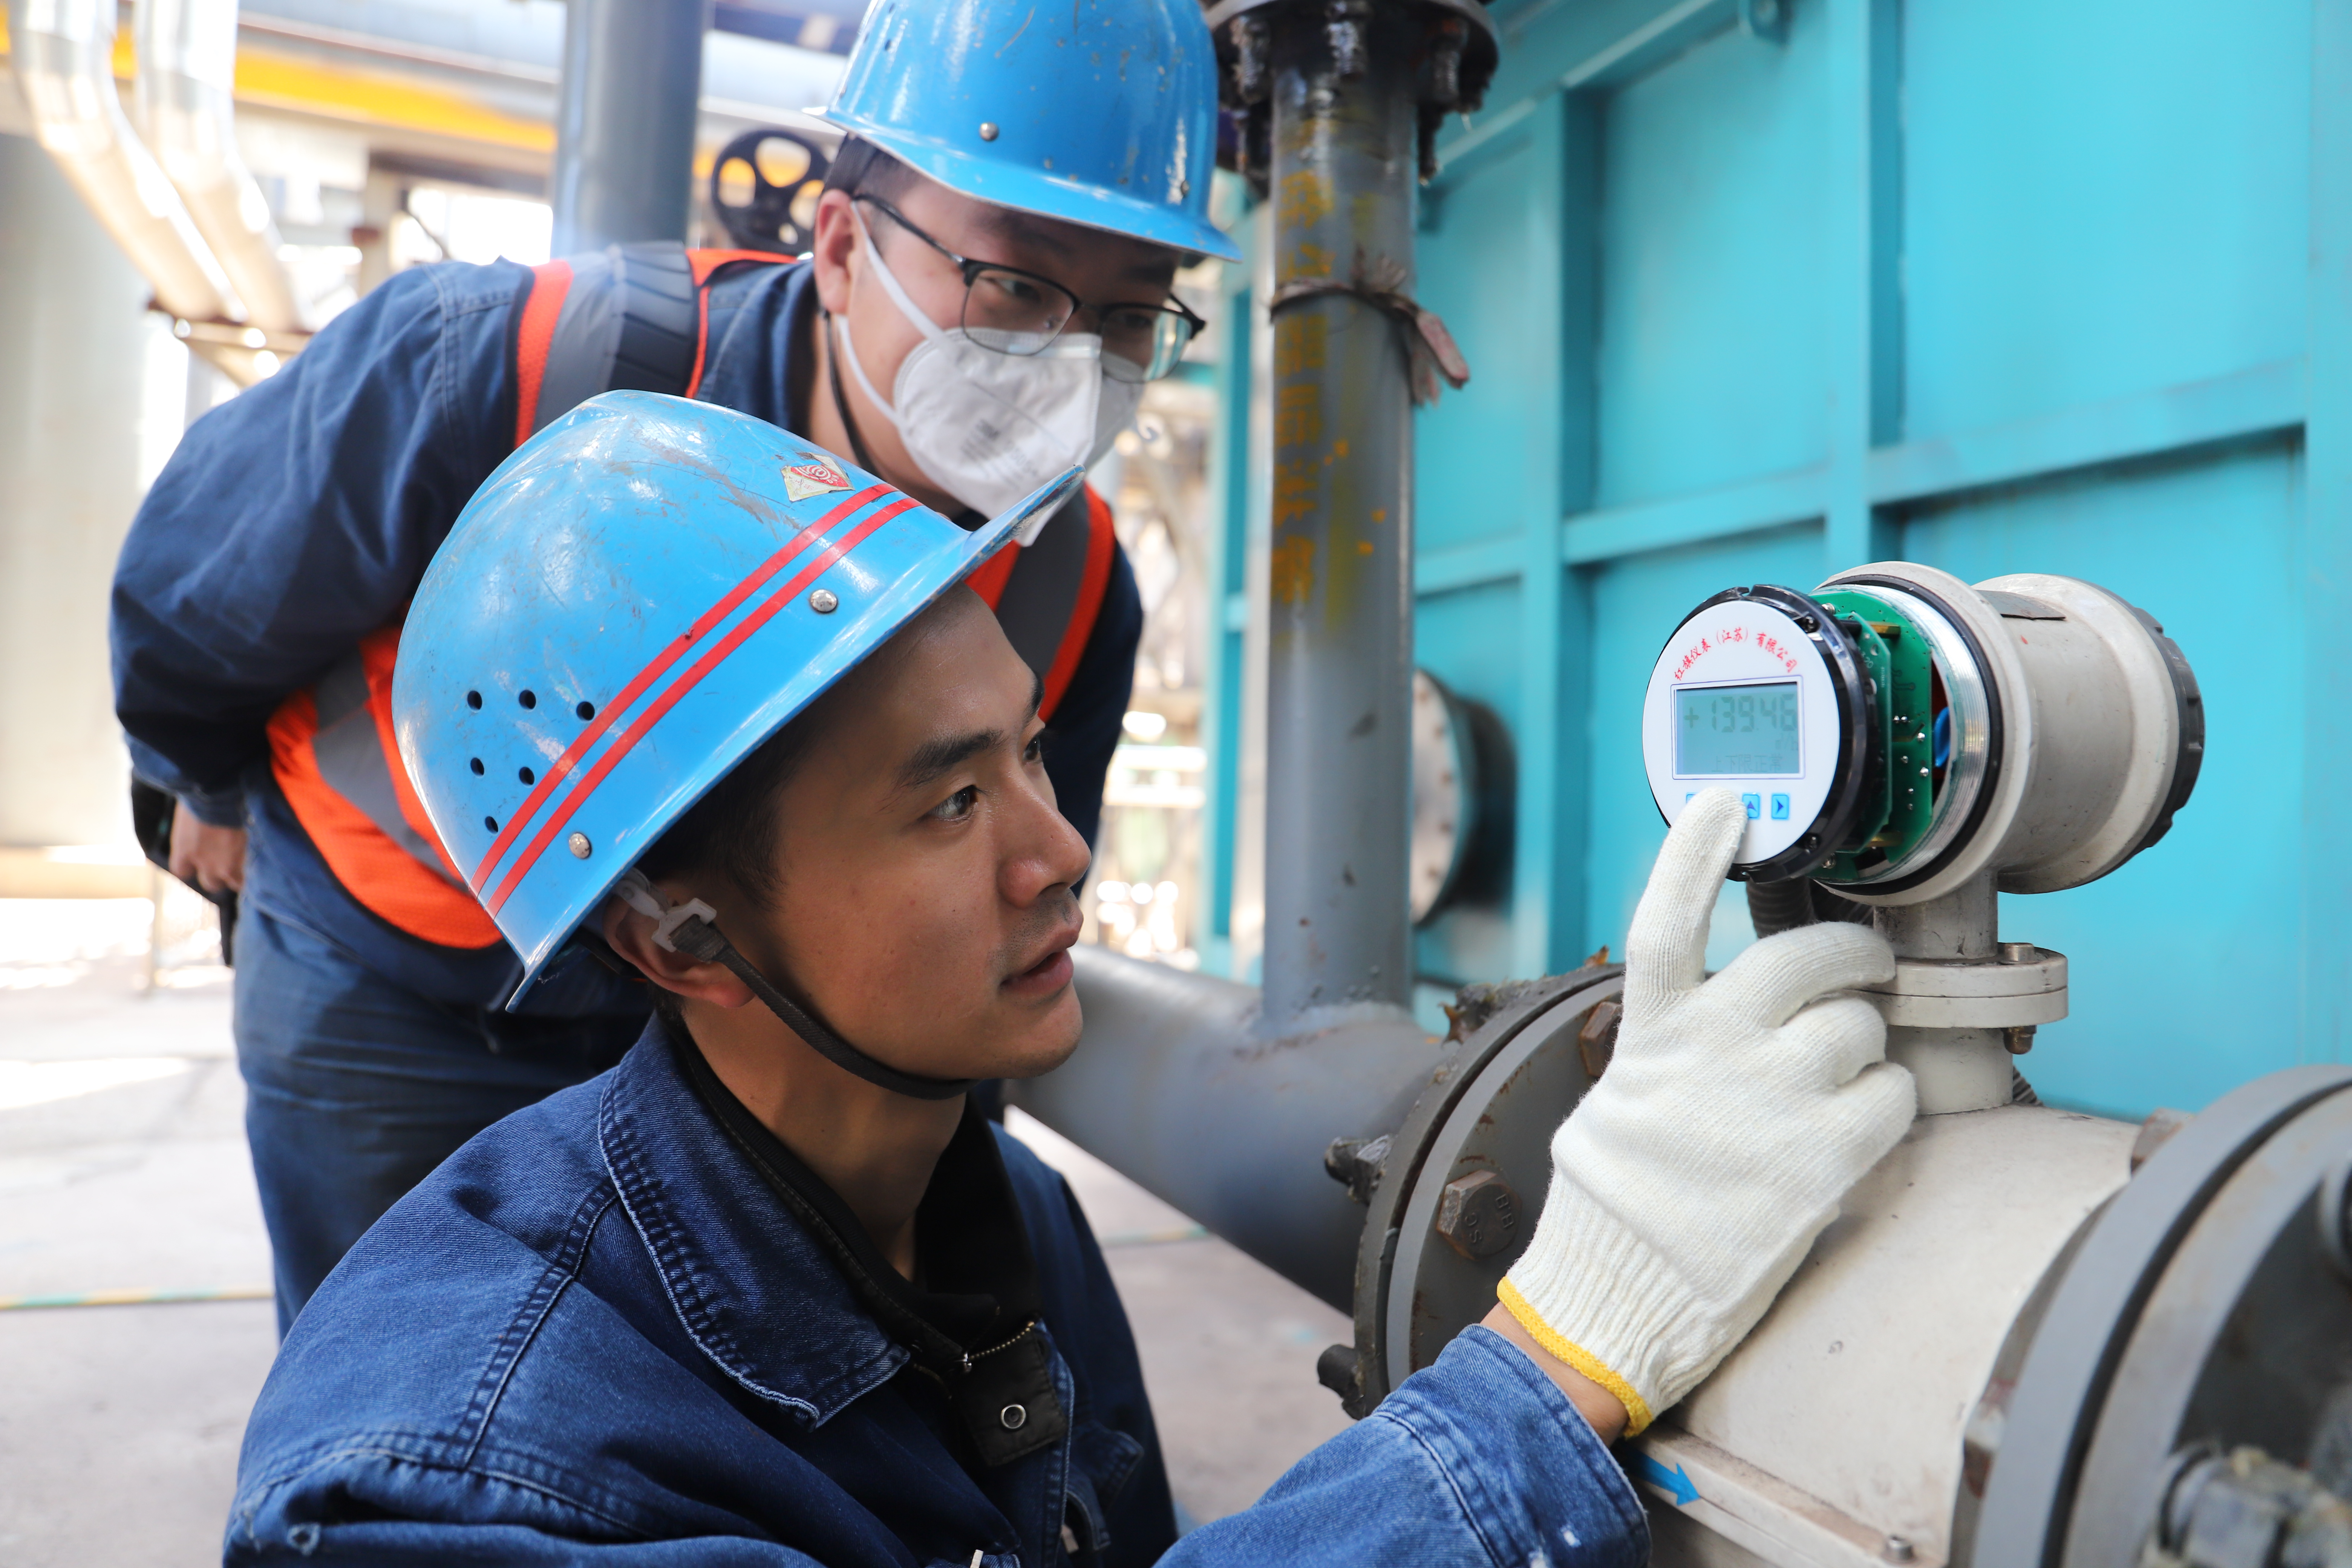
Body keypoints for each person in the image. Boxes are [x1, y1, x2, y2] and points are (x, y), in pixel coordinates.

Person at [225, 393, 1916, 1565]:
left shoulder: (1009, 1225)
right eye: (949, 804)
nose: (1060, 853)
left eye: (1030, 755)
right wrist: (1549, 1369)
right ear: (678, 935)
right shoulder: (459, 1479)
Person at [109, 0, 1239, 1331]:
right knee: (415, 1372)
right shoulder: (513, 363)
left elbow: (1003, 919)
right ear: (840, 247)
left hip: (744, 1045)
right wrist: (201, 787)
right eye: (1017, 285)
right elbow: (193, 589)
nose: (1070, 361)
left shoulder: (1073, 576)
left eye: (1130, 315)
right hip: (404, 992)